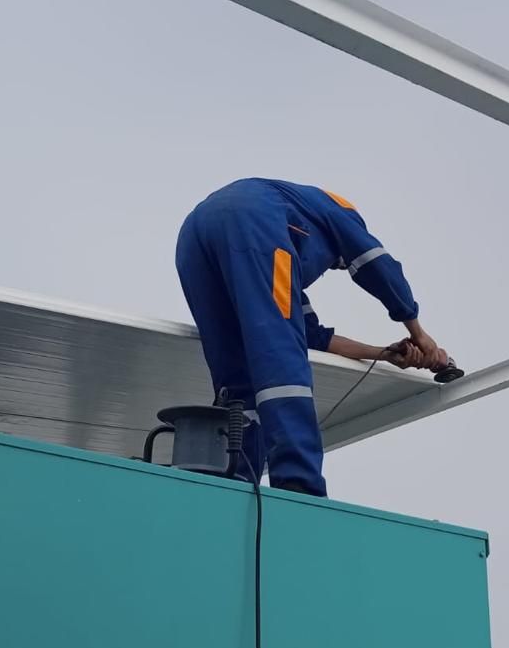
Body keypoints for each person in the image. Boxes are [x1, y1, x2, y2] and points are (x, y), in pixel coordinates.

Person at [175, 178, 449, 497]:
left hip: (194, 239)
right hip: (255, 223)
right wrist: (418, 332)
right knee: (282, 359)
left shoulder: (286, 237)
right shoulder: (340, 211)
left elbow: (311, 336)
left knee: (235, 374)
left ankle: (236, 479)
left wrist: (383, 353)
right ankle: (298, 482)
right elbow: (377, 264)